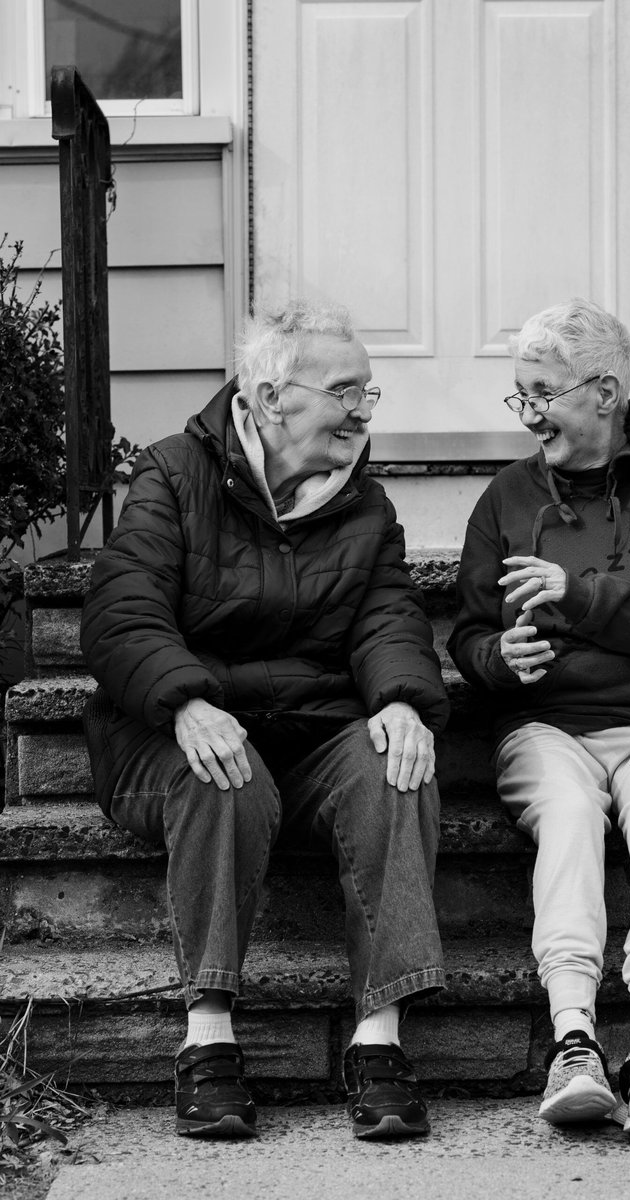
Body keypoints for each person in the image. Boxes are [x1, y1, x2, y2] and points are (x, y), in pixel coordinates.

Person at [80, 301, 449, 1141]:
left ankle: (378, 1040)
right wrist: (184, 698)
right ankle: (208, 1039)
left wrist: (400, 700)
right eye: (345, 390)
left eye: (369, 392)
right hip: (173, 737)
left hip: (310, 734)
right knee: (223, 773)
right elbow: (120, 613)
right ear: (272, 396)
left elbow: (389, 620)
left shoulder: (365, 505)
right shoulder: (175, 473)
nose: (363, 410)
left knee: (396, 761)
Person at [448, 298, 630, 1137]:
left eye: (541, 392)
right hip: (544, 727)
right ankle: (572, 1039)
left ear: (604, 392)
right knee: (571, 815)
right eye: (519, 394)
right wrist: (496, 661)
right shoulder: (505, 499)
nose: (527, 412)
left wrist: (583, 597)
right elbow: (467, 634)